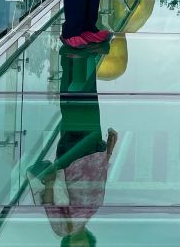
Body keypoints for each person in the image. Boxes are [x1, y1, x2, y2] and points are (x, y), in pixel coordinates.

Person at [28, 47, 118, 247]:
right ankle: (84, 54)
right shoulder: (94, 210)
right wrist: (110, 151)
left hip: (72, 158)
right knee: (90, 99)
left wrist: (50, 181)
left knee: (71, 107)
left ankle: (69, 59)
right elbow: (99, 178)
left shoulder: (62, 229)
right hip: (94, 149)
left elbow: (49, 203)